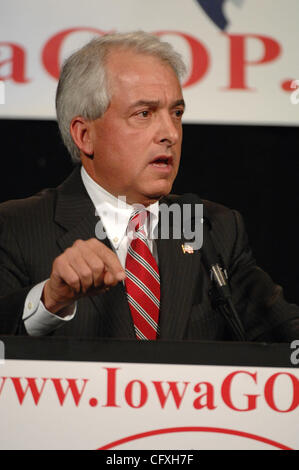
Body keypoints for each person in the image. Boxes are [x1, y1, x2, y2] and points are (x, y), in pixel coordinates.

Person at [0, 31, 298, 341]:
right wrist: (50, 300)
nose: (170, 133)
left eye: (177, 113)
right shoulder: (16, 228)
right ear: (84, 135)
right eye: (144, 114)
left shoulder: (214, 229)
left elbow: (287, 335)